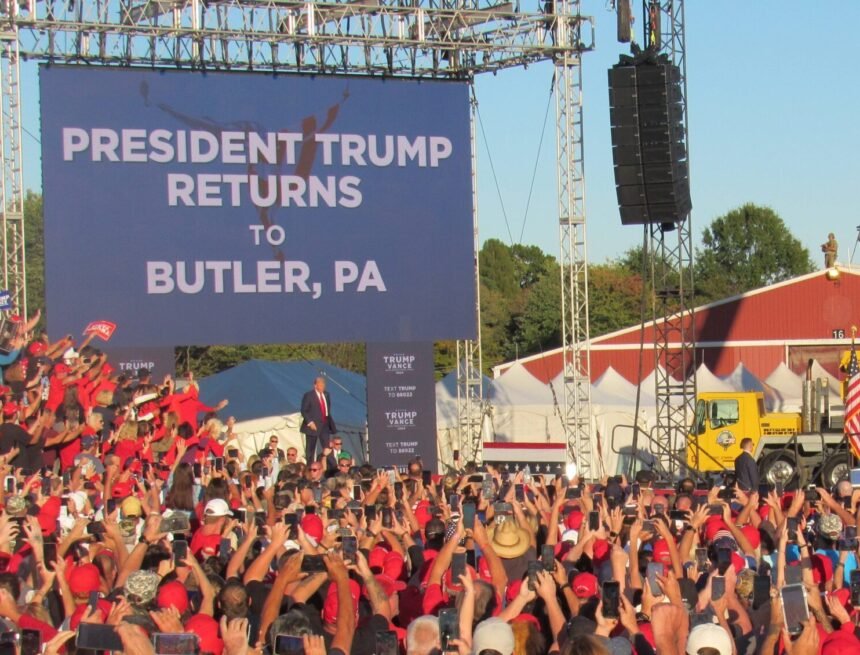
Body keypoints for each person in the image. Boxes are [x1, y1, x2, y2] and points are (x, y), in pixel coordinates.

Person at [300, 376, 336, 462]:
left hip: (324, 425)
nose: (323, 386)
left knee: (327, 448)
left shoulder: (326, 395)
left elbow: (327, 409)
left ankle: (332, 467)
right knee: (310, 450)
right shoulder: (309, 395)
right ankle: (310, 467)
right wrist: (310, 422)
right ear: (315, 385)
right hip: (313, 426)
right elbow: (304, 410)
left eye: (324, 384)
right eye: (320, 384)